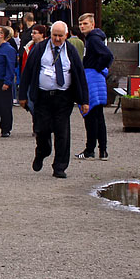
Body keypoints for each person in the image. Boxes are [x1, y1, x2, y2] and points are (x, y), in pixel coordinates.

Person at [18, 21, 89, 178]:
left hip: (63, 98)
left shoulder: (70, 50)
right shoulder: (40, 48)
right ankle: (43, 151)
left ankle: (60, 167)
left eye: (60, 36)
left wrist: (84, 100)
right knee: (41, 130)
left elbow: (80, 75)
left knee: (62, 132)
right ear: (50, 34)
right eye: (54, 35)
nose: (57, 39)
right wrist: (22, 95)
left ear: (66, 35)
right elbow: (27, 72)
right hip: (43, 97)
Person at [76, 13, 114, 160]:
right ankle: (102, 150)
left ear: (92, 25)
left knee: (90, 115)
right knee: (98, 116)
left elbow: (107, 55)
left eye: (85, 24)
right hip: (96, 79)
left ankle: (90, 149)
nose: (82, 26)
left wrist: (97, 67)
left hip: (92, 79)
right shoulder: (94, 38)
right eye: (80, 24)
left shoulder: (92, 39)